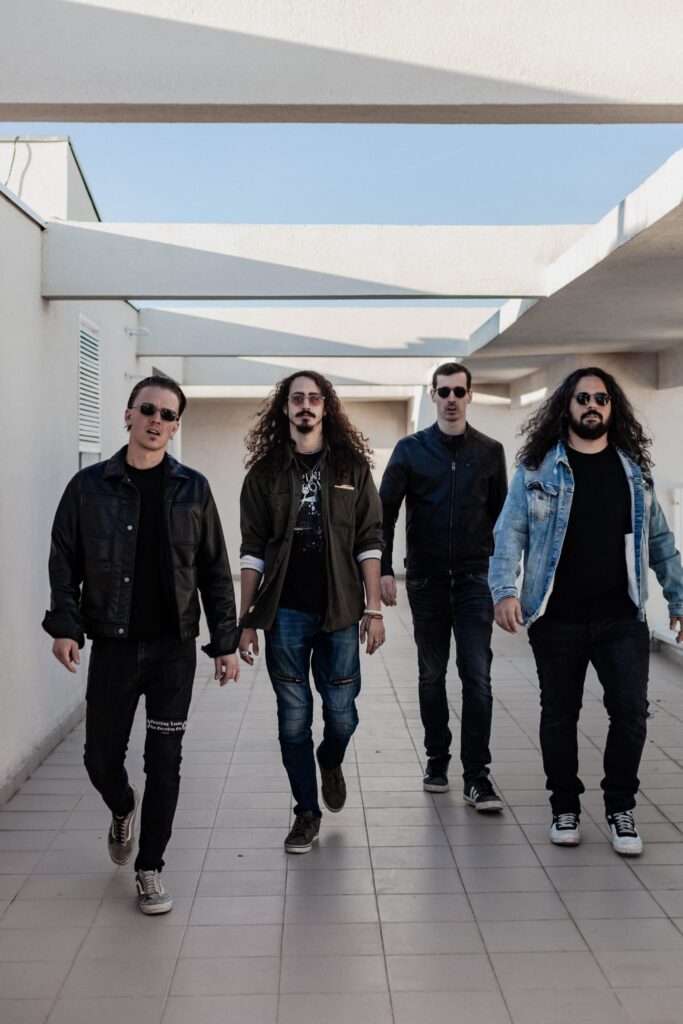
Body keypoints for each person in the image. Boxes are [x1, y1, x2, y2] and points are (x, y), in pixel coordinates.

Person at [43, 375, 239, 913]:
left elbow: (215, 570)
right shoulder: (89, 487)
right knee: (99, 757)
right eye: (148, 409)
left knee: (165, 760)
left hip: (173, 650)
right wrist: (66, 626)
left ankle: (150, 868)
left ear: (176, 427)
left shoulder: (193, 489)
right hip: (113, 645)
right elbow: (64, 561)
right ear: (128, 414)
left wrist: (225, 641)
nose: (157, 420)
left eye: (168, 415)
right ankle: (122, 804)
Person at [489, 367, 683, 855]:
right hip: (558, 617)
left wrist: (678, 598)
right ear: (567, 406)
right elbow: (509, 534)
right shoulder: (536, 471)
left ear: (612, 408)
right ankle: (565, 806)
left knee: (631, 713)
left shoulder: (633, 474)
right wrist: (504, 591)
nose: (591, 405)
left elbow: (660, 542)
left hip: (622, 617)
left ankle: (621, 807)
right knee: (559, 715)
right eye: (582, 398)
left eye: (600, 398)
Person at [238, 371, 384, 853]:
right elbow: (253, 549)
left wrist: (374, 609)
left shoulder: (351, 468)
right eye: (297, 398)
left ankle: (331, 758)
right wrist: (246, 619)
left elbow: (369, 540)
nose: (305, 405)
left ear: (326, 407)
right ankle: (306, 811)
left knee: (341, 716)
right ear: (285, 408)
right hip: (284, 613)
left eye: (314, 398)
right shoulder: (264, 474)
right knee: (292, 718)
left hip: (340, 611)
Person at [379, 362, 507, 809]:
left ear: (471, 395)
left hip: (475, 581)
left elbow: (503, 521)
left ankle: (477, 776)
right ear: (433, 396)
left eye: (459, 391)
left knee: (477, 676)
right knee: (431, 675)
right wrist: (383, 569)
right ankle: (437, 759)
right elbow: (384, 511)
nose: (451, 399)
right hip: (427, 581)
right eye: (444, 391)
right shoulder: (411, 450)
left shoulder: (490, 452)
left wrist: (504, 582)